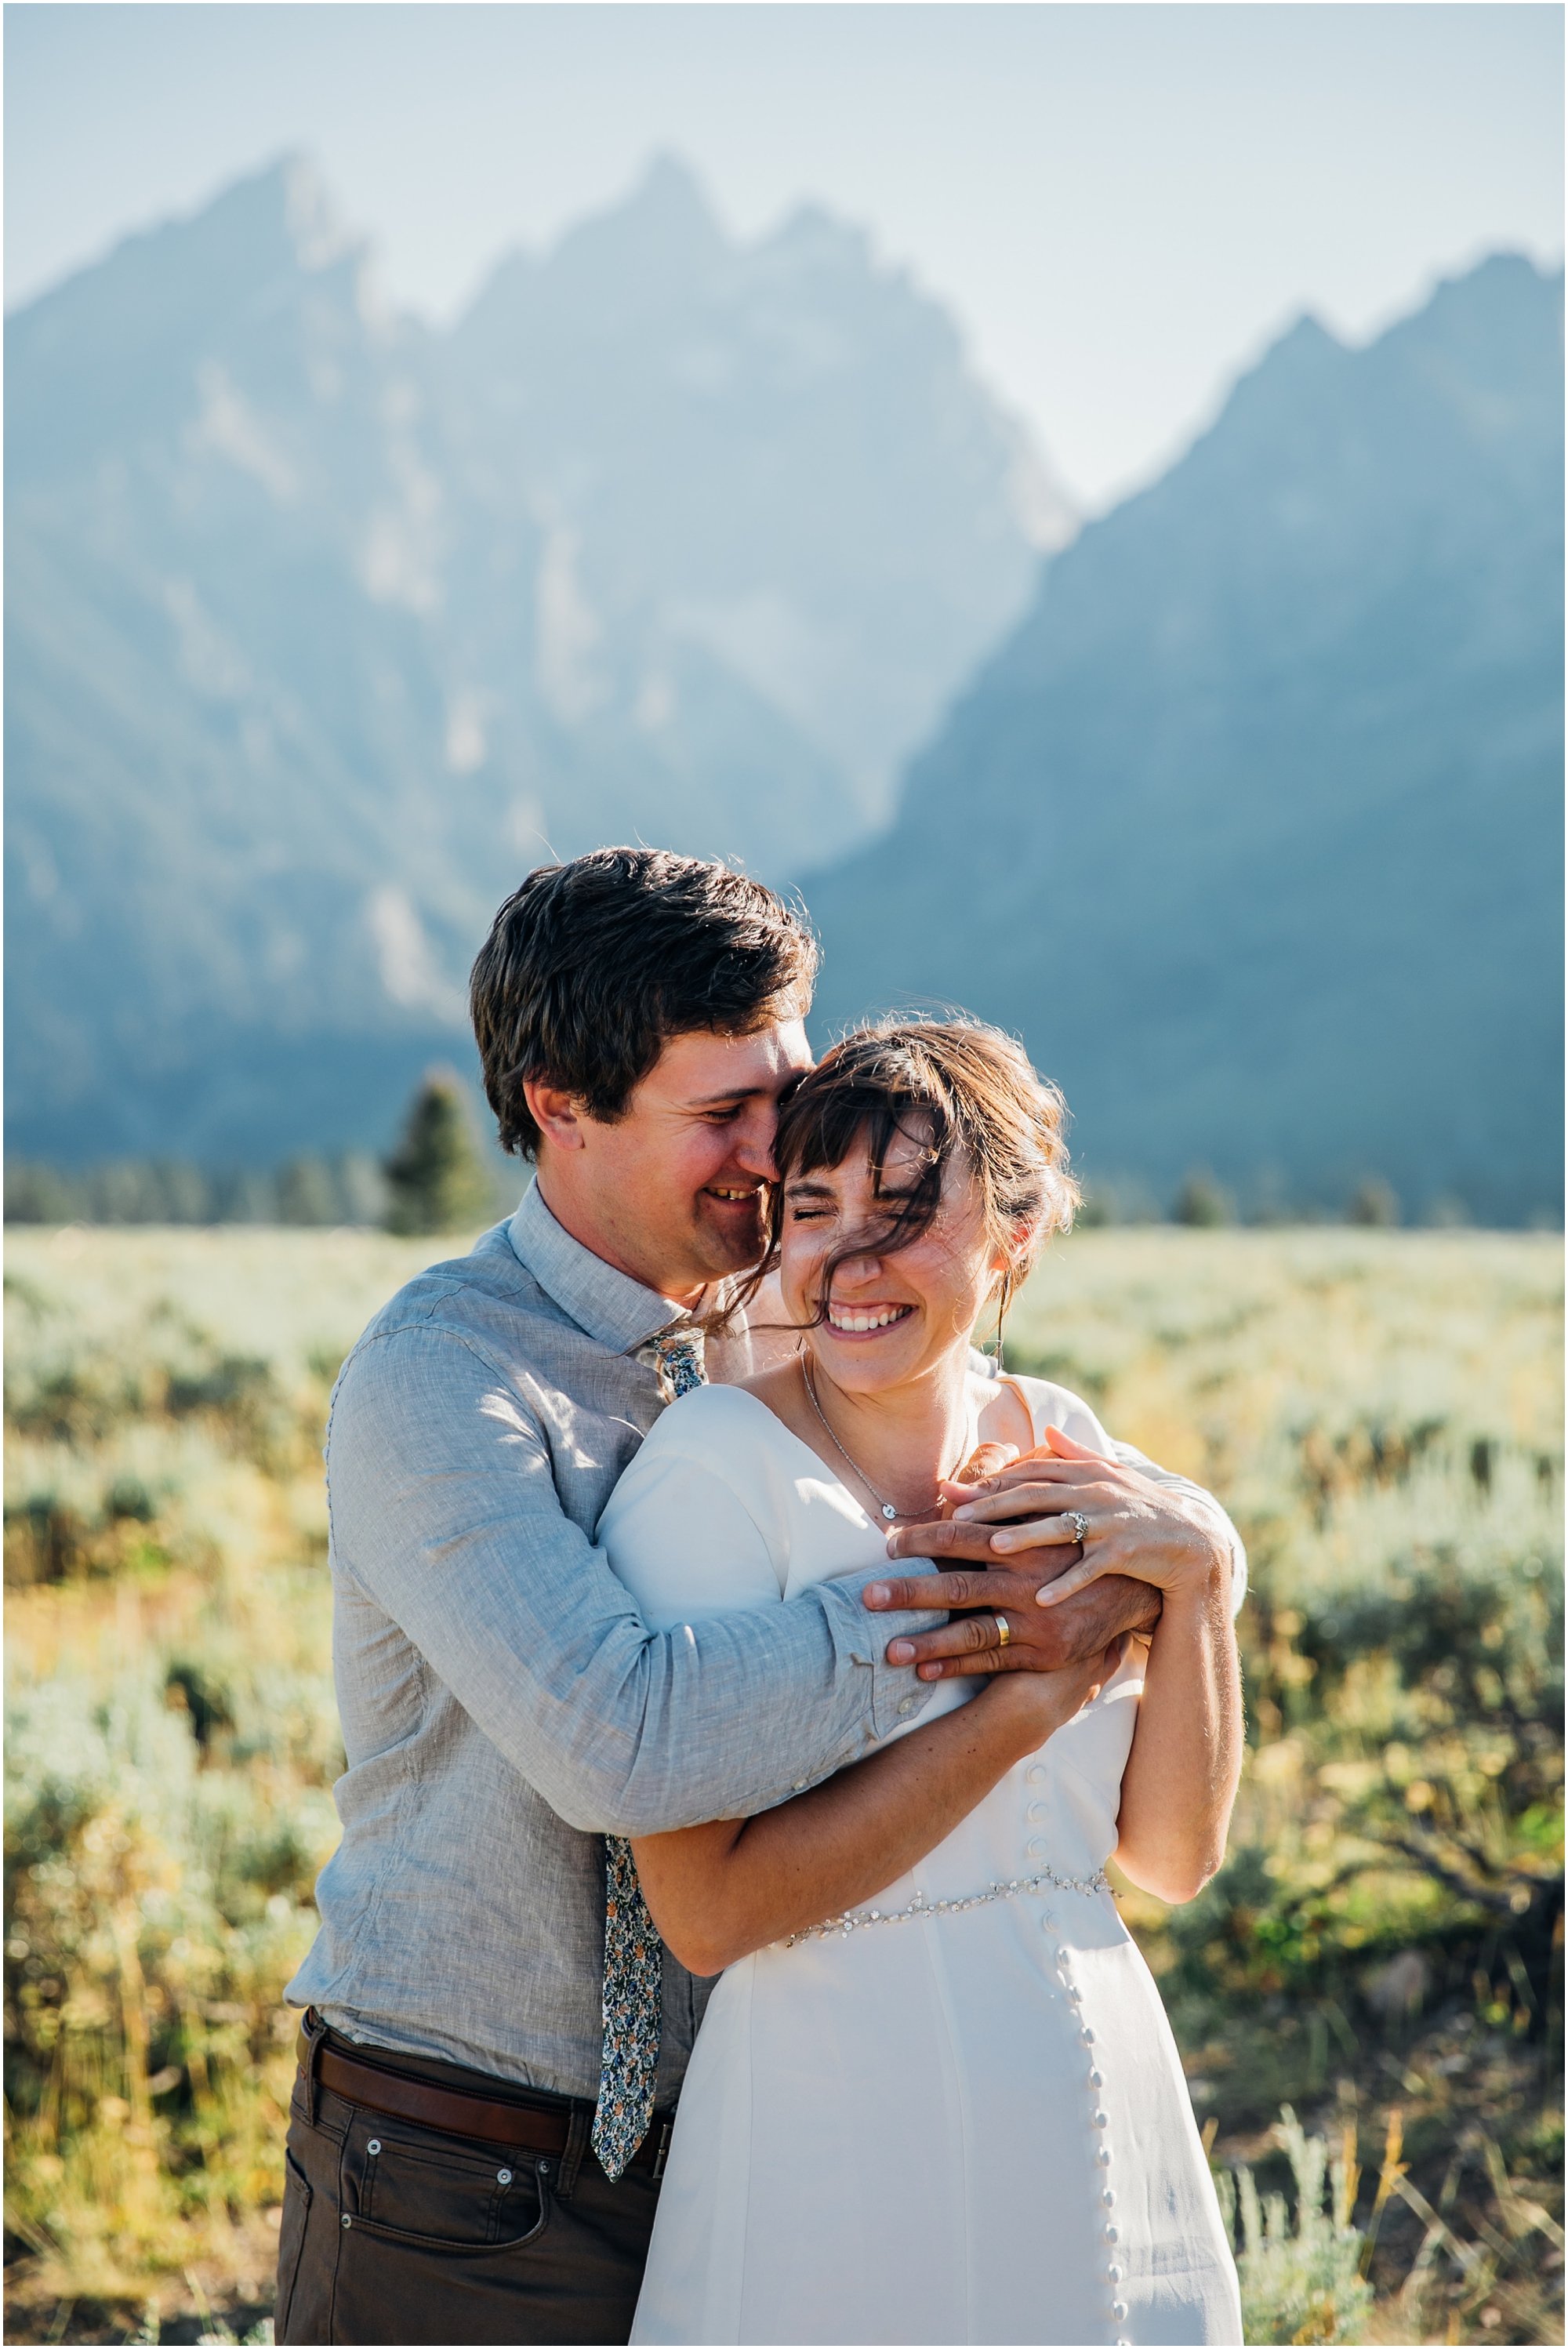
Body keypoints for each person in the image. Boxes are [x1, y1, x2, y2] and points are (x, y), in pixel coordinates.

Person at [275, 849, 1245, 2347]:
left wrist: (1193, 1555)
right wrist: (999, 1639)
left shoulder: (786, 1335)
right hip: (468, 2171)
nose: (772, 1147)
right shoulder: (445, 1376)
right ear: (558, 1108)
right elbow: (622, 1736)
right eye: (723, 1111)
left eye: (779, 1093)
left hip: (759, 2128)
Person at [601, 1018, 1245, 2347]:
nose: (850, 1256)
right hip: (838, 2126)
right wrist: (1028, 1705)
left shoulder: (1066, 1444)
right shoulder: (712, 1470)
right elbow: (707, 1912)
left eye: (904, 1210)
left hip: (1100, 2083)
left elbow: (1173, 1857)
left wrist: (1201, 1578)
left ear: (1012, 1237)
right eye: (815, 1207)